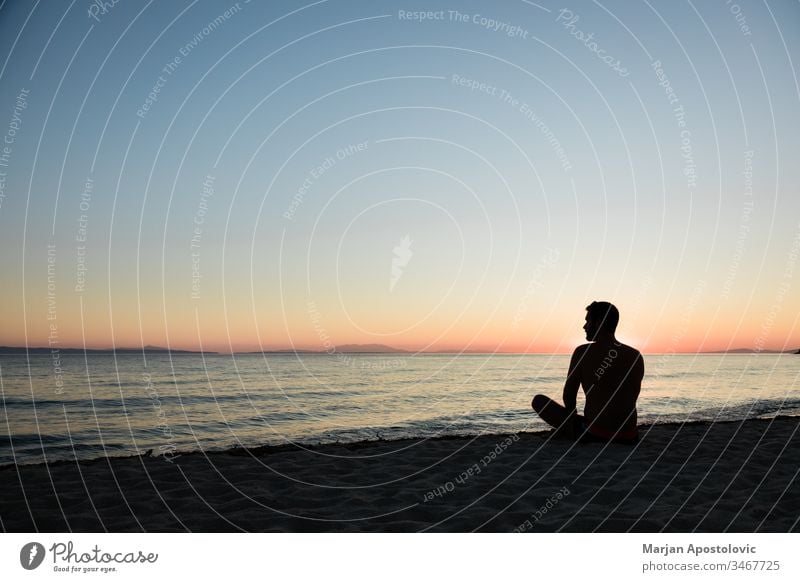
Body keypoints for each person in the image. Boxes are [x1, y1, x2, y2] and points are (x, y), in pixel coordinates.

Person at [532, 301, 643, 444]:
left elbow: (569, 395)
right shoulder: (636, 355)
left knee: (539, 401)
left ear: (599, 322)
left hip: (596, 434)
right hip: (629, 436)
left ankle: (573, 431)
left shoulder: (582, 352)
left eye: (587, 321)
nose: (584, 326)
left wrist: (570, 423)